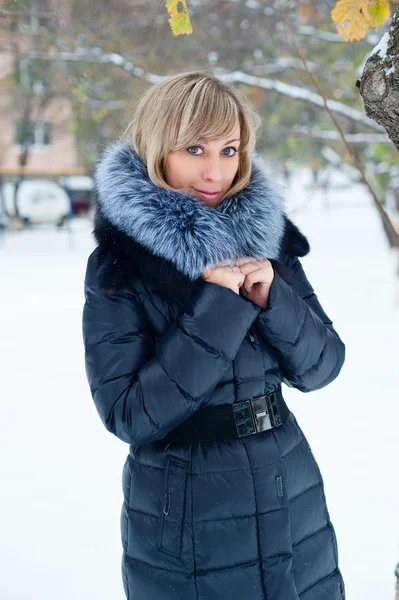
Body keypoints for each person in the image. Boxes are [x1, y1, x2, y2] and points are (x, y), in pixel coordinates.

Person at [82, 71, 346, 600]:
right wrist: (218, 310)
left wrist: (275, 300)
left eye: (229, 150)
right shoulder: (121, 264)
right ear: (159, 148)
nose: (214, 170)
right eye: (195, 148)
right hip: (187, 510)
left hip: (287, 486)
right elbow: (129, 414)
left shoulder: (266, 243)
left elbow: (323, 367)